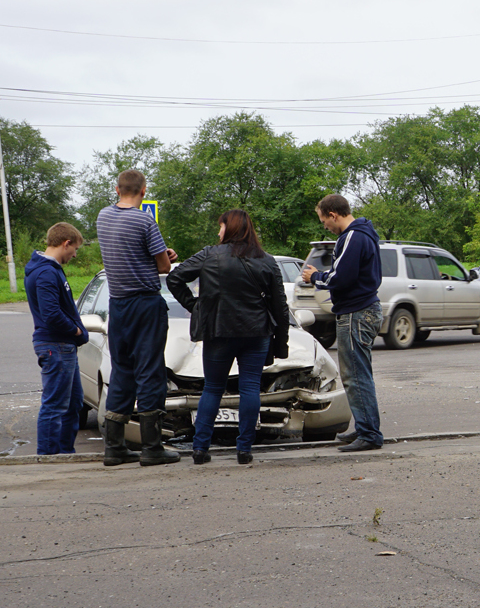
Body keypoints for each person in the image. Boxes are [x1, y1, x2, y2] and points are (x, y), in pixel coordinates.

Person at [167, 210, 288, 466]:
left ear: (229, 228)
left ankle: (200, 450)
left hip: (219, 331)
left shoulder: (210, 254)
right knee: (250, 388)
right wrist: (282, 343)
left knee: (212, 388)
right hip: (256, 332)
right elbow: (280, 306)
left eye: (220, 227)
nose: (218, 232)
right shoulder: (267, 260)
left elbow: (175, 278)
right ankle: (244, 450)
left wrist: (195, 306)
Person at [96, 169, 181, 466]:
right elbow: (163, 267)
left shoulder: (102, 217)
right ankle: (152, 448)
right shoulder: (145, 220)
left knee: (122, 371)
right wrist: (166, 256)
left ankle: (114, 447)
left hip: (117, 305)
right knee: (150, 372)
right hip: (145, 305)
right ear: (144, 191)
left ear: (117, 189)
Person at [301, 194, 384, 452]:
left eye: (324, 220)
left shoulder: (352, 237)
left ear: (333, 215)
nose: (324, 225)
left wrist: (316, 277)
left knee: (355, 376)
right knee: (359, 374)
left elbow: (342, 278)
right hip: (365, 308)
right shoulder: (364, 234)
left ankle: (369, 434)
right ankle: (364, 426)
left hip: (355, 313)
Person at [26, 223, 89, 455]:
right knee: (55, 405)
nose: (75, 254)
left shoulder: (48, 270)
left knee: (73, 403)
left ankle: (64, 453)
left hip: (61, 346)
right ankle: (49, 458)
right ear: (66, 244)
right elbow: (51, 313)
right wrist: (76, 331)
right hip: (56, 346)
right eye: (75, 249)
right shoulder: (45, 273)